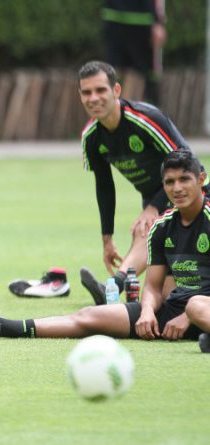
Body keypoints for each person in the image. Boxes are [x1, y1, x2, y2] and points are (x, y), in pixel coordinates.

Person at [0, 150, 210, 350]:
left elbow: (195, 306)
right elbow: (153, 287)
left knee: (196, 305)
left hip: (199, 309)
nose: (177, 188)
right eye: (169, 182)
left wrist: (189, 317)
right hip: (175, 311)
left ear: (201, 179)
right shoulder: (162, 227)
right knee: (89, 316)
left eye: (184, 179)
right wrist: (146, 312)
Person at [77, 60, 196, 305]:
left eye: (100, 90)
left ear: (116, 90)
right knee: (165, 294)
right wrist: (107, 238)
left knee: (148, 231)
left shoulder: (146, 119)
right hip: (155, 198)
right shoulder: (91, 137)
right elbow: (104, 186)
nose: (93, 98)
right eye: (86, 92)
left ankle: (112, 288)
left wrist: (154, 206)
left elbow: (189, 163)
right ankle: (114, 287)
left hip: (191, 193)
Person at [102, 0, 166, 105]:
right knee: (120, 70)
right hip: (120, 17)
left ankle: (125, 111)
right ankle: (118, 111)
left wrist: (157, 23)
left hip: (136, 19)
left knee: (134, 73)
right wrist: (157, 22)